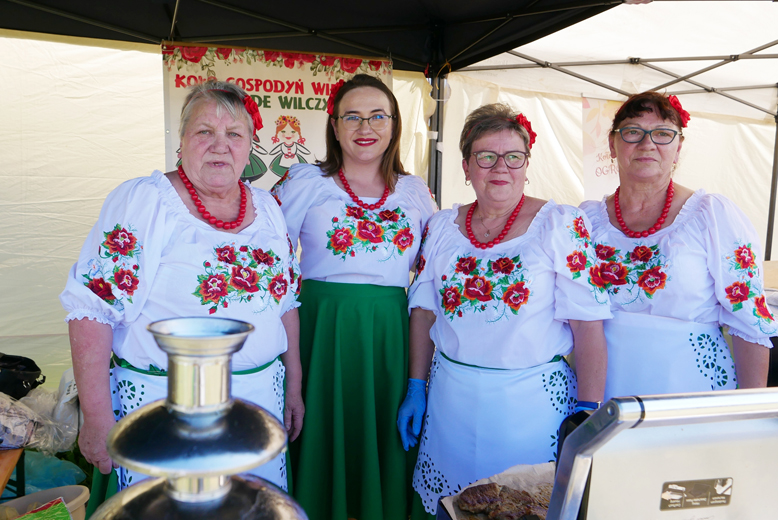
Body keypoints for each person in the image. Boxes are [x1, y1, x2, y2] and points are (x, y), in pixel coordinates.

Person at [60, 80, 304, 495]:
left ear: (250, 147)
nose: (219, 145)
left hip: (257, 404)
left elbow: (285, 304)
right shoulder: (146, 202)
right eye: (204, 131)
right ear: (182, 141)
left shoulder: (266, 208)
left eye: (234, 134)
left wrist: (293, 386)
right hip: (166, 411)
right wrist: (98, 416)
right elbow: (93, 308)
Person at [397, 103, 611, 518]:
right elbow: (422, 312)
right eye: (486, 156)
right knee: (452, 508)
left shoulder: (560, 224)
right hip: (450, 405)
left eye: (513, 156)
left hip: (530, 409)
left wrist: (587, 411)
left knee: (521, 506)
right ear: (466, 166)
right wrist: (416, 386)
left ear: (527, 164)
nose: (501, 167)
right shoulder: (441, 226)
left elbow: (588, 327)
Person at [271, 73, 437, 520]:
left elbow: (430, 280)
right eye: (353, 117)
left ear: (395, 125)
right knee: (323, 438)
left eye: (378, 116)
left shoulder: (416, 192)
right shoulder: (304, 182)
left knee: (382, 441)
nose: (366, 127)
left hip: (388, 338)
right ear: (335, 125)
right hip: (320, 333)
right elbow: (270, 264)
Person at [580, 91, 776, 400]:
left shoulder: (711, 215)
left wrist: (750, 413)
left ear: (678, 146)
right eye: (633, 132)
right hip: (604, 394)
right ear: (612, 144)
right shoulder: (585, 221)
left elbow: (749, 320)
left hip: (692, 393)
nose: (647, 144)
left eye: (662, 134)